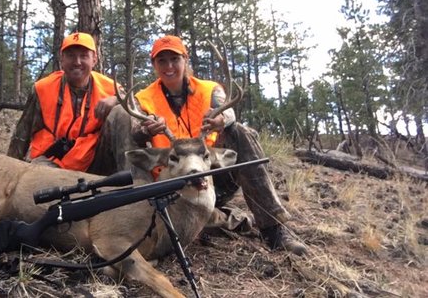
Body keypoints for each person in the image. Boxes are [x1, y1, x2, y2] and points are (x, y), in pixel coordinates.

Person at [123, 35, 307, 256]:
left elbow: (227, 111)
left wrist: (223, 120)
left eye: (175, 59)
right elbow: (135, 129)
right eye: (162, 61)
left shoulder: (209, 90)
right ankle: (230, 219)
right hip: (172, 186)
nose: (169, 66)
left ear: (185, 59)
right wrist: (146, 129)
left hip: (211, 176)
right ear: (154, 65)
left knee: (239, 131)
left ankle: (274, 230)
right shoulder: (144, 98)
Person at [7, 32, 120, 173]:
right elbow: (22, 134)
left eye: (84, 56)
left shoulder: (112, 89)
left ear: (94, 59)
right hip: (52, 161)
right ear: (62, 59)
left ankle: (135, 182)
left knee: (122, 112)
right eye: (71, 55)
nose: (77, 62)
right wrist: (9, 170)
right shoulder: (42, 89)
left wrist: (117, 100)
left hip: (94, 160)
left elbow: (135, 106)